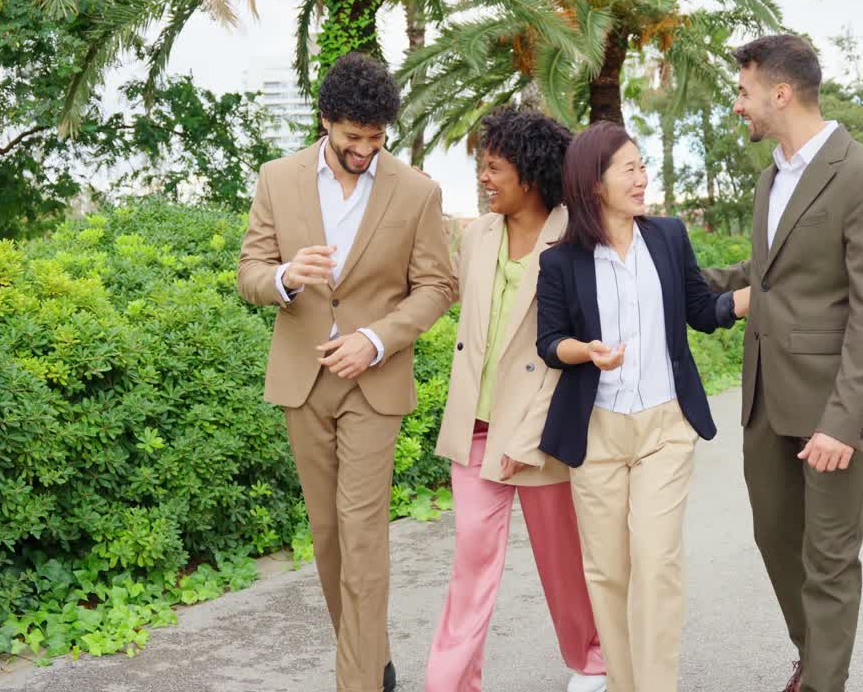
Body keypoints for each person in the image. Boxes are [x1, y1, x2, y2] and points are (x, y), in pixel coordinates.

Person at [237, 52, 455, 692]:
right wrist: (284, 276)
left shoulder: (417, 191)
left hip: (373, 382)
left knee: (362, 533)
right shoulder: (277, 179)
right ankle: (372, 661)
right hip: (303, 381)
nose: (364, 150)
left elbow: (438, 285)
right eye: (353, 137)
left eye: (376, 138)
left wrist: (376, 339)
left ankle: (356, 682)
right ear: (326, 121)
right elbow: (250, 272)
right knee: (328, 535)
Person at [703, 34, 863, 692]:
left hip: (830, 406)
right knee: (774, 537)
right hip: (766, 399)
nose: (739, 105)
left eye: (744, 92)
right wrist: (671, 274)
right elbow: (767, 273)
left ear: (782, 93)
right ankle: (813, 654)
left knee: (829, 556)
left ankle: (823, 681)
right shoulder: (772, 178)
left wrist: (844, 422)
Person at [534, 122, 750, 692]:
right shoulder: (561, 262)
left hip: (665, 426)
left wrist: (748, 299)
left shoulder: (668, 236)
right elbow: (549, 343)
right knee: (608, 572)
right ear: (593, 182)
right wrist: (585, 351)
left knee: (655, 562)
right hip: (596, 433)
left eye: (642, 165)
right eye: (628, 168)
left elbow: (699, 309)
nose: (642, 177)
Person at [426, 107, 608, 692]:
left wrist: (527, 437)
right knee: (470, 563)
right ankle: (450, 683)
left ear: (529, 174)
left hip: (539, 429)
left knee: (561, 560)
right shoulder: (477, 234)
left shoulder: (575, 237)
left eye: (494, 167)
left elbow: (571, 347)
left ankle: (591, 662)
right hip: (476, 428)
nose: (484, 177)